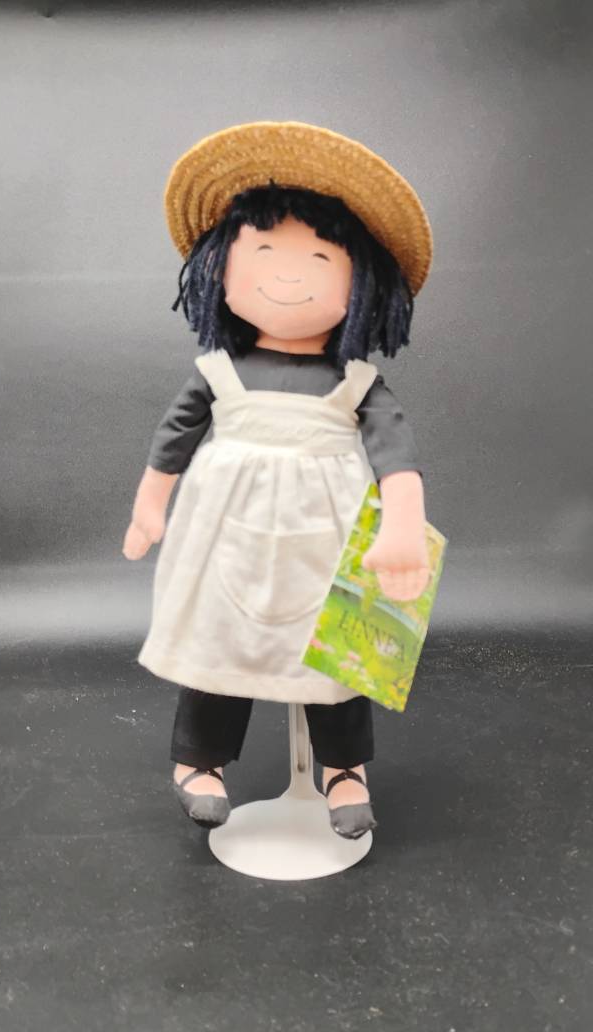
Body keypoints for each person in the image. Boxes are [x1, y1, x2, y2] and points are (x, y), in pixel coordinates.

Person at [122, 121, 433, 841]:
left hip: (329, 542)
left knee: (339, 654)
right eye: (262, 252)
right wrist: (148, 509)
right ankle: (199, 761)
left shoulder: (357, 383)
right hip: (222, 537)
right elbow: (173, 439)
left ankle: (344, 768)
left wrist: (403, 528)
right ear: (220, 269)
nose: (288, 274)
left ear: (363, 286)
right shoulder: (217, 373)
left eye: (321, 258)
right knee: (217, 643)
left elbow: (397, 456)